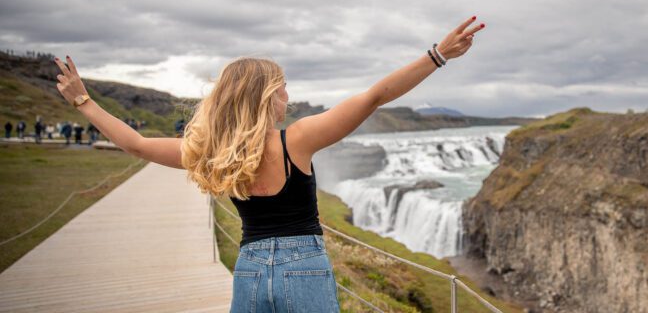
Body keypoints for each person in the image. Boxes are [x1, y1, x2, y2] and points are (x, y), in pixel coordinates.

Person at [51, 16, 484, 313]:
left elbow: (139, 145)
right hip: (305, 268)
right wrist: (437, 56)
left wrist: (84, 102)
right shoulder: (296, 140)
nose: (288, 99)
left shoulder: (214, 152)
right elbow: (374, 96)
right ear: (264, 97)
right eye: (282, 90)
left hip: (250, 270)